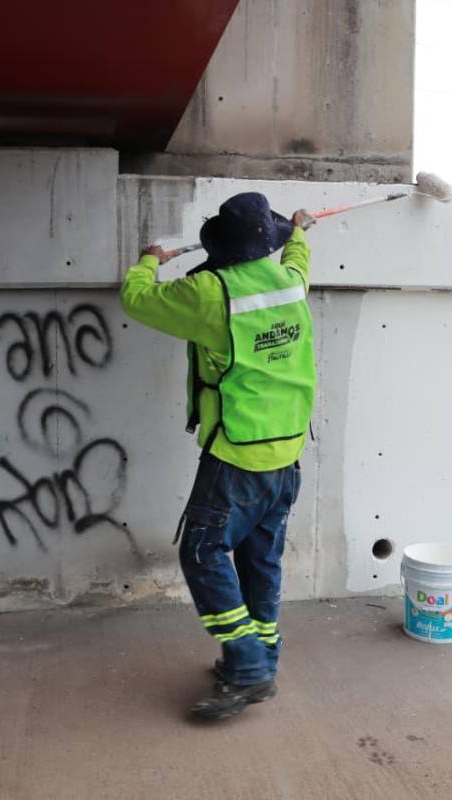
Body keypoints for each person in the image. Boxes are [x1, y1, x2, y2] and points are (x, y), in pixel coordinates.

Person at [120, 192, 318, 720]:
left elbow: (137, 300)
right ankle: (262, 656)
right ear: (268, 246)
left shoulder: (211, 292)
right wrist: (298, 230)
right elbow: (298, 258)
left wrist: (148, 261)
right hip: (288, 453)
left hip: (237, 456)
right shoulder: (290, 283)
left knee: (204, 554)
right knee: (260, 561)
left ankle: (249, 668)